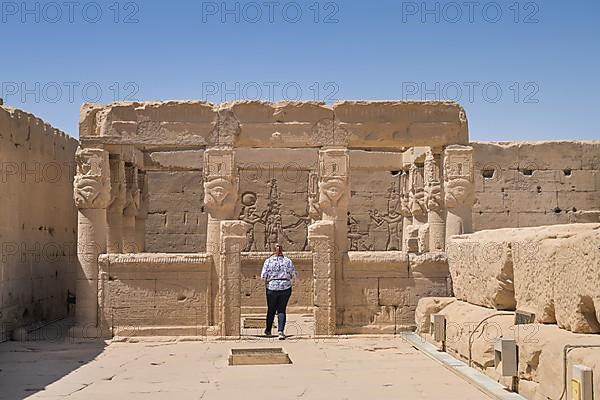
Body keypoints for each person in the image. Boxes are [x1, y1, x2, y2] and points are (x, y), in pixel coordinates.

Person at [260, 244, 296, 340]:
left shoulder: (268, 261)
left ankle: (268, 330)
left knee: (271, 309)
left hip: (272, 287)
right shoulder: (288, 261)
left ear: (273, 251)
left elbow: (263, 276)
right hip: (285, 287)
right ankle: (281, 331)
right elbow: (293, 274)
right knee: (281, 309)